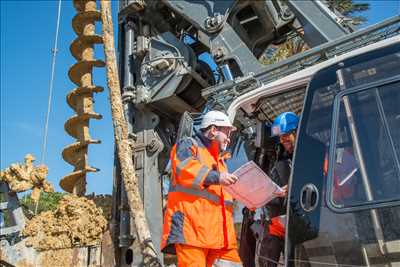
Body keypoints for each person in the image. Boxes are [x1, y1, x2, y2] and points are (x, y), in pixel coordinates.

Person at [161, 110, 242, 266]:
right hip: (192, 233)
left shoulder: (220, 161)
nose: (229, 138)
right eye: (227, 132)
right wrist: (217, 177)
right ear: (213, 130)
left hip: (220, 237)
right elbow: (185, 169)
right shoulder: (188, 145)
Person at [256, 112, 298, 267]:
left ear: (296, 132)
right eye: (280, 136)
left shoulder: (309, 154)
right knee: (267, 257)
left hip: (302, 223)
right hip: (279, 223)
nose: (282, 140)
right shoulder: (281, 161)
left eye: (286, 134)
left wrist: (294, 188)